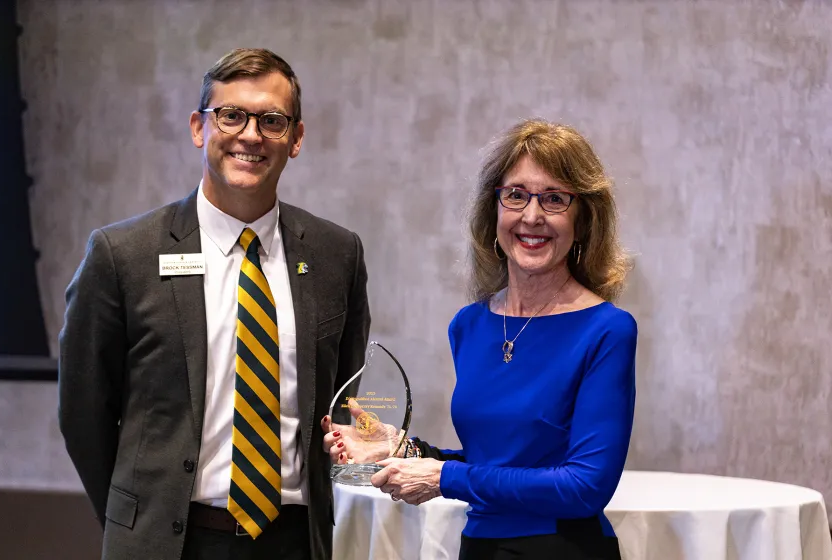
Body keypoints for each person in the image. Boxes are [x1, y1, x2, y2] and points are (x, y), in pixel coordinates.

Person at [59, 48, 370, 560]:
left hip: (295, 541)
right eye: (231, 115)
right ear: (199, 128)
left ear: (296, 139)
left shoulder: (337, 255)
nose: (251, 135)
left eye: (272, 120)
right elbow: (83, 411)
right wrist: (134, 514)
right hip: (168, 542)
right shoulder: (124, 255)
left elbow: (342, 397)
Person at [322, 120, 636, 559]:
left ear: (583, 220)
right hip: (480, 547)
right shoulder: (469, 325)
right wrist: (401, 449)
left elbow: (584, 488)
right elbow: (496, 460)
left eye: (555, 199)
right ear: (494, 212)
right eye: (516, 195)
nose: (532, 215)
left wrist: (441, 478)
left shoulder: (607, 330)